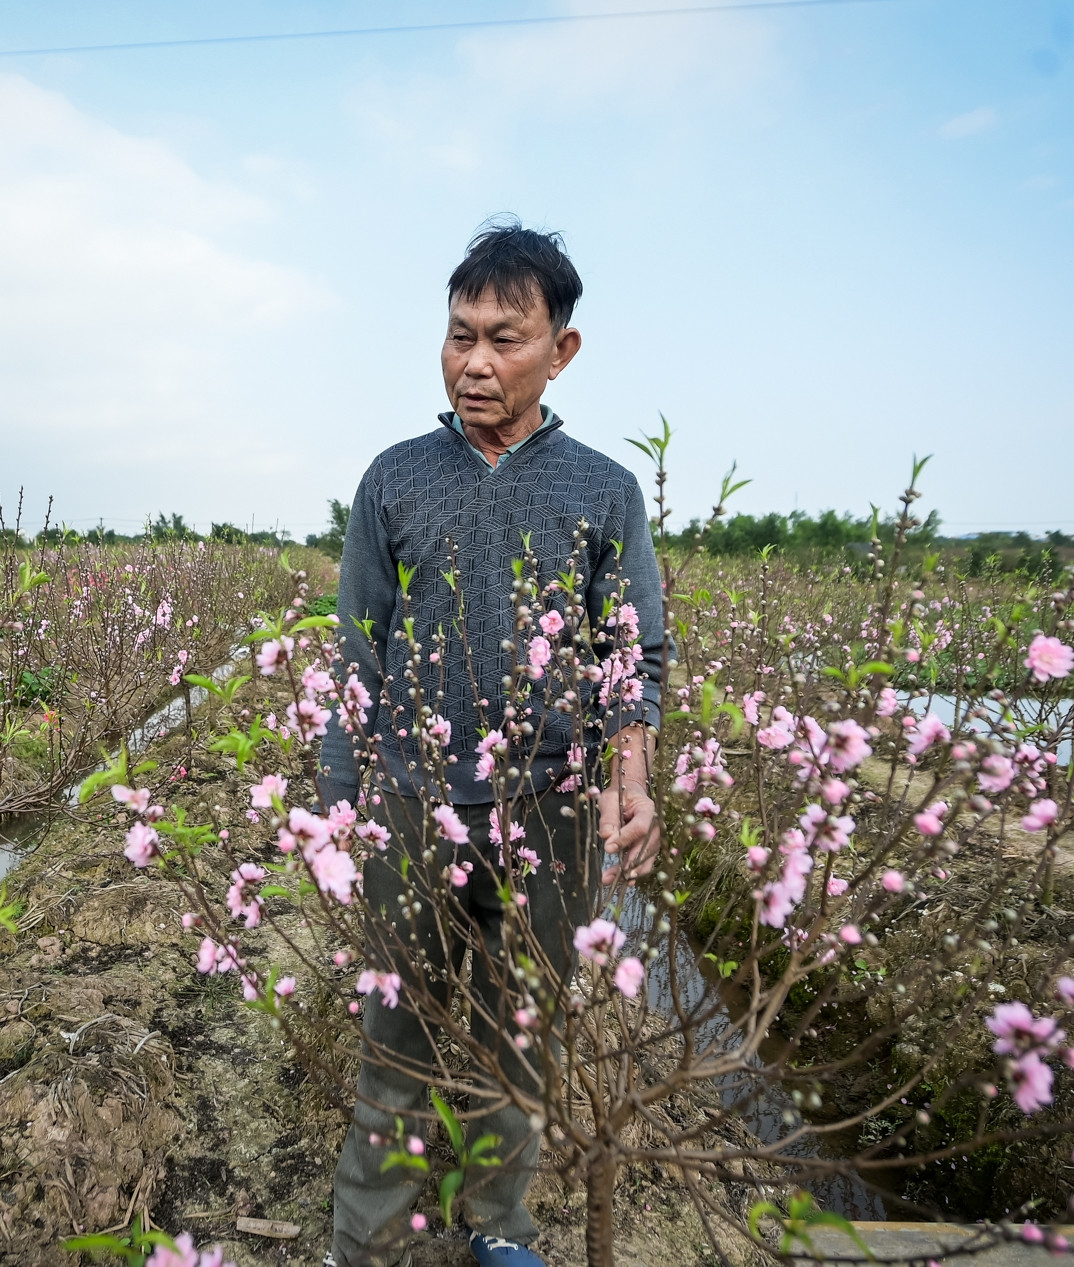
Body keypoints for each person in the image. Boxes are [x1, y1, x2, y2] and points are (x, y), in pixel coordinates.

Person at [316, 221, 667, 1267]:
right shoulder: (394, 478)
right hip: (412, 809)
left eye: (504, 338)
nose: (474, 361)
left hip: (549, 814)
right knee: (398, 1043)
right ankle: (365, 1244)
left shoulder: (603, 490)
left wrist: (627, 779)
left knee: (520, 1039)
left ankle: (497, 1229)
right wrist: (344, 813)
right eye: (458, 333)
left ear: (561, 350)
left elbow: (634, 650)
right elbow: (356, 654)